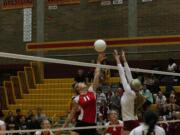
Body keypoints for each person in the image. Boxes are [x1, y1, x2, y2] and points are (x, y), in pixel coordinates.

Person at [63, 53, 106, 135]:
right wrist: (63, 127)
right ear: (78, 88)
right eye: (79, 83)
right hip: (81, 123)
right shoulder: (76, 98)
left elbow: (96, 74)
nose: (82, 83)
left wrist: (98, 62)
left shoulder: (91, 91)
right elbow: (72, 113)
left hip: (92, 124)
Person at [114, 50, 145, 132]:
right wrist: (124, 59)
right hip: (131, 120)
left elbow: (122, 75)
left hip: (129, 121)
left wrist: (117, 59)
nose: (130, 80)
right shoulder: (134, 92)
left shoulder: (129, 92)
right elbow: (128, 73)